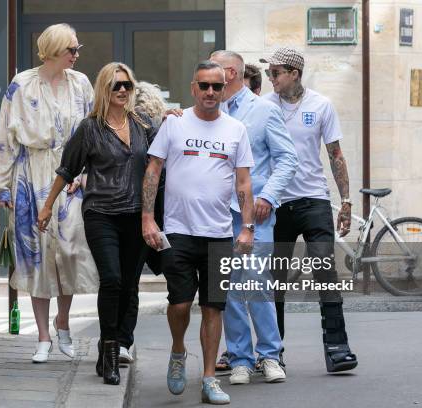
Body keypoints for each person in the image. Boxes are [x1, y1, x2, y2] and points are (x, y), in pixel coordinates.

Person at [142, 60, 255, 405]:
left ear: (224, 89)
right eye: (204, 86)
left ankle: (208, 378)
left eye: (216, 87)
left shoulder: (236, 129)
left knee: (213, 308)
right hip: (177, 231)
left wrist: (247, 228)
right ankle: (178, 349)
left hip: (219, 233)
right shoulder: (174, 125)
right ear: (193, 88)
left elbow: (244, 182)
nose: (210, 92)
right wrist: (147, 217)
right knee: (179, 303)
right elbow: (153, 170)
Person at [38, 62, 156, 386]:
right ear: (104, 89)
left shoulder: (142, 124)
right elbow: (66, 169)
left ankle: (116, 346)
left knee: (130, 283)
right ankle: (109, 351)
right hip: (101, 213)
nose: (122, 90)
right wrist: (47, 206)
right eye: (116, 85)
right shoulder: (89, 128)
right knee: (113, 279)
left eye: (127, 86)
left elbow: (157, 165)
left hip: (135, 215)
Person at [0, 23, 98, 363]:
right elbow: (5, 139)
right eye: (72, 50)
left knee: (68, 252)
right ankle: (42, 337)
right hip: (30, 175)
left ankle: (62, 323)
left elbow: (94, 130)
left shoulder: (80, 84)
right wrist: (3, 185)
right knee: (36, 255)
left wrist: (86, 173)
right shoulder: (21, 84)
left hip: (70, 177)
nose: (77, 55)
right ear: (53, 51)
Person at [260, 47, 358, 372]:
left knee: (324, 272)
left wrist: (345, 200)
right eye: (268, 72)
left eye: (275, 72)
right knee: (274, 280)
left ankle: (337, 347)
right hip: (277, 204)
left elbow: (336, 155)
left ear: (294, 74)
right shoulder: (264, 107)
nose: (269, 78)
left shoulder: (321, 105)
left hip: (314, 200)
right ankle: (273, 354)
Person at [210, 50, 298, 384]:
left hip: (256, 212)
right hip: (217, 214)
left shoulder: (263, 110)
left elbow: (288, 159)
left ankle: (271, 355)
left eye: (213, 70)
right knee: (228, 288)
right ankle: (240, 359)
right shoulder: (210, 110)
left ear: (229, 72)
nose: (207, 78)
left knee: (257, 283)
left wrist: (269, 196)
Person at [114, 81, 170, 365]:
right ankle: (122, 342)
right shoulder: (164, 126)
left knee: (126, 281)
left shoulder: (127, 127)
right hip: (161, 215)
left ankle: (121, 342)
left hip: (132, 212)